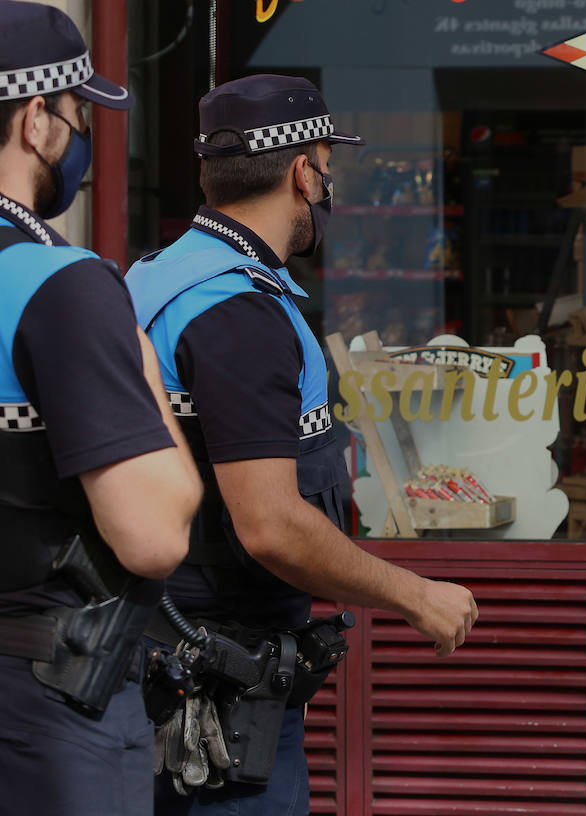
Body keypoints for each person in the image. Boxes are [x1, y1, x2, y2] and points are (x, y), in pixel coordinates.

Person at [125, 75, 478, 815]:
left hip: (165, 668)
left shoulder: (161, 275)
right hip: (216, 695)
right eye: (326, 165)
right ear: (302, 170)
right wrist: (416, 596)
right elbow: (270, 523)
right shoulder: (238, 311)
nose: (328, 184)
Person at [0, 3, 203, 814]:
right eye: (80, 113)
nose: (85, 135)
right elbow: (153, 537)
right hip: (50, 711)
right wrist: (146, 375)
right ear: (36, 120)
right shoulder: (63, 283)